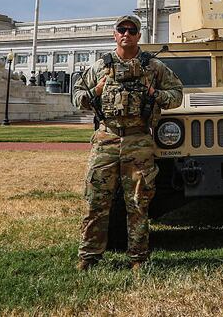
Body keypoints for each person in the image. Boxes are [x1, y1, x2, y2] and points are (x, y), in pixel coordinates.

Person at [73, 15, 183, 272]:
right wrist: (95, 92)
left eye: (132, 30)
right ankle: (89, 256)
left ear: (139, 35)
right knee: (96, 200)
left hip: (138, 139)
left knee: (138, 201)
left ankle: (138, 258)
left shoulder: (153, 67)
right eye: (121, 30)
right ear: (115, 35)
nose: (127, 34)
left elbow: (177, 94)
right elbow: (76, 96)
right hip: (106, 138)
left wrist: (156, 94)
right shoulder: (100, 66)